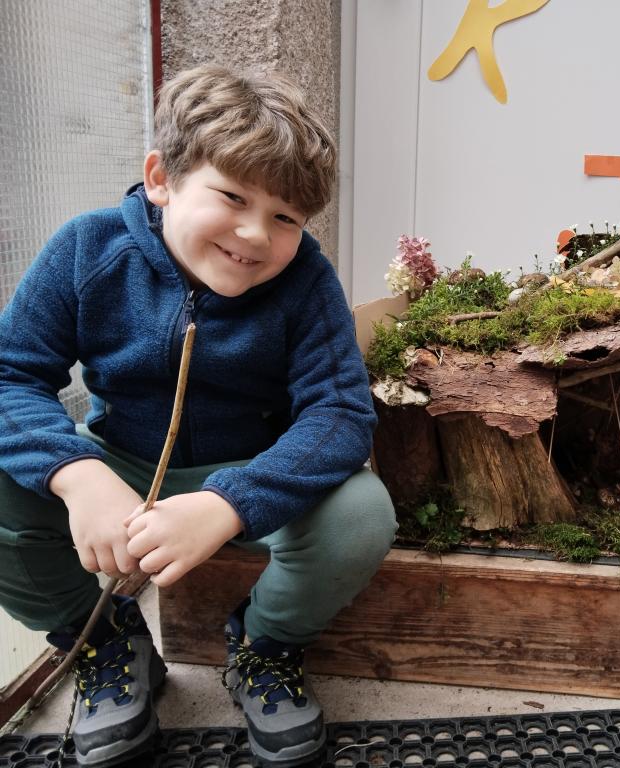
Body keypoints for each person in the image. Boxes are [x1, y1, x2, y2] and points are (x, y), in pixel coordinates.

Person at [0, 64, 397, 767]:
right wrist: (76, 474)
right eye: (232, 196)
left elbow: (339, 413)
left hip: (254, 470)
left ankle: (264, 646)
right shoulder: (87, 249)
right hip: (119, 462)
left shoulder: (306, 280)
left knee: (362, 514)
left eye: (285, 218)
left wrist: (229, 502)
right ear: (162, 178)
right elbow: (11, 374)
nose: (255, 234)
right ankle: (102, 641)